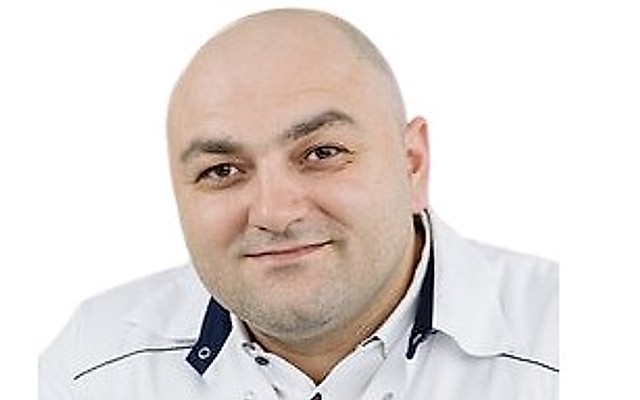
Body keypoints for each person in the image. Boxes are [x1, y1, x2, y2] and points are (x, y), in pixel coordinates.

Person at [39, 8, 558, 399]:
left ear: (413, 164)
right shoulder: (90, 369)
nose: (273, 213)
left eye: (322, 153)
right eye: (222, 170)